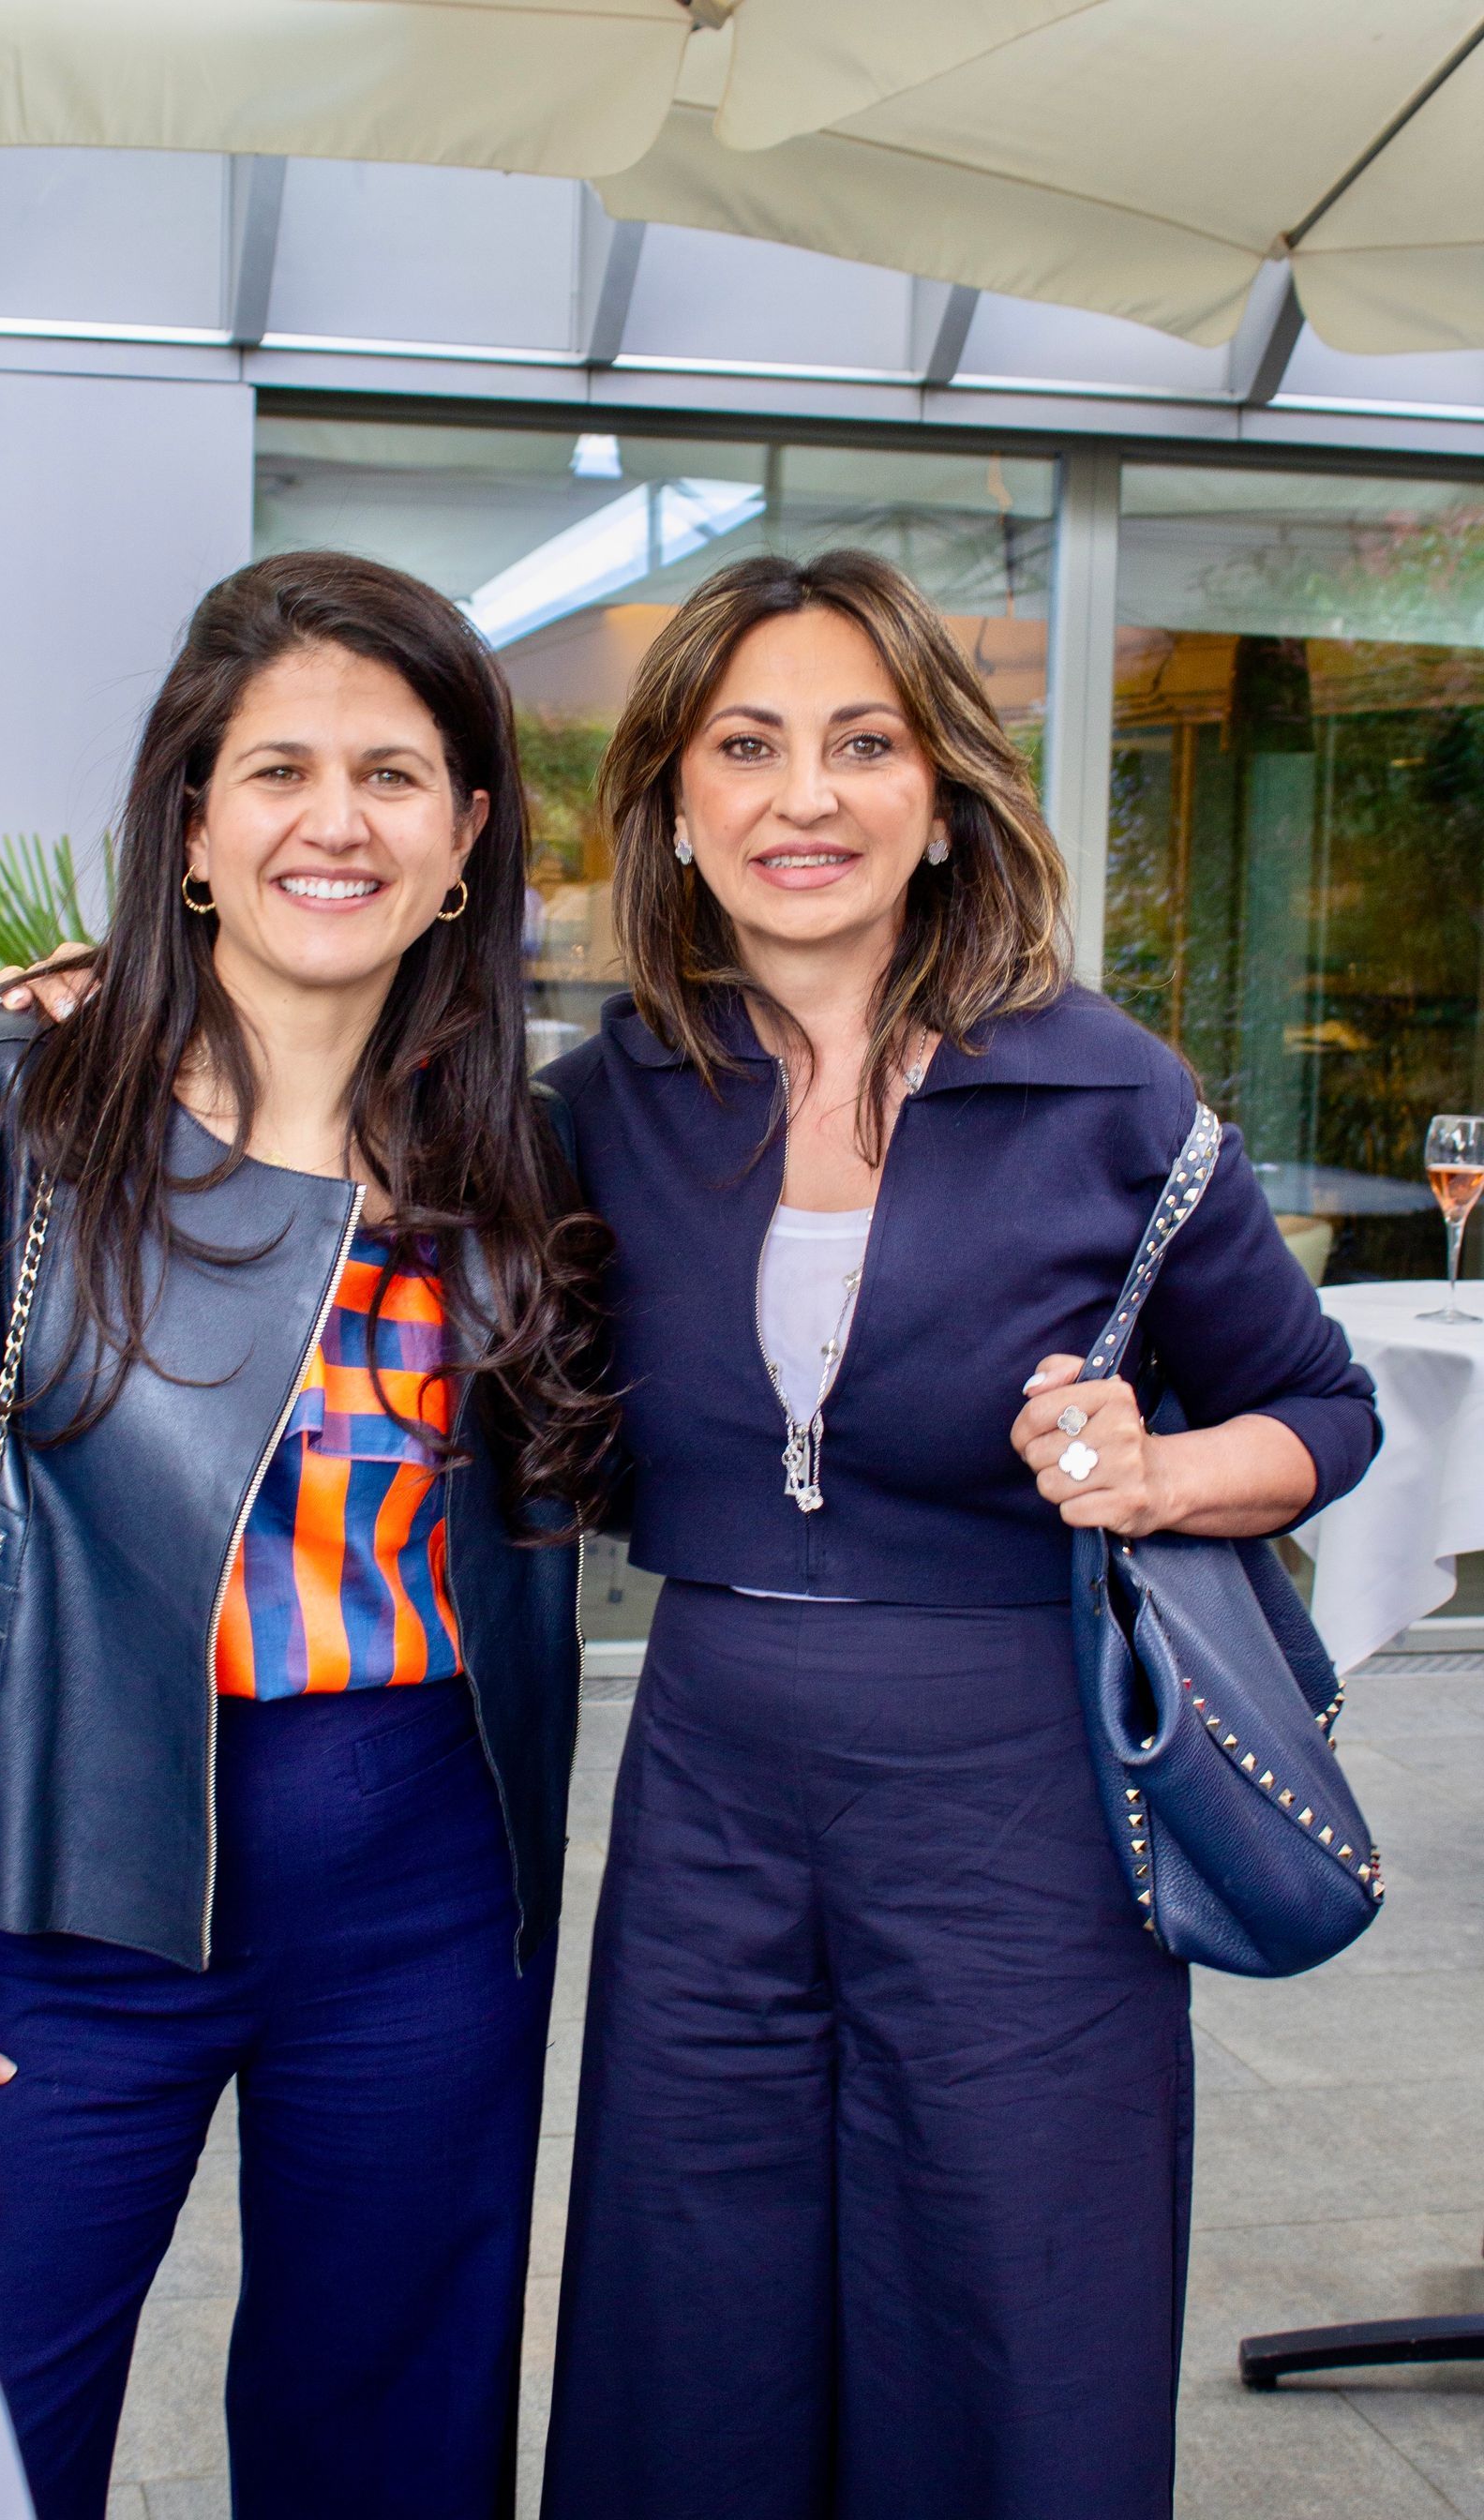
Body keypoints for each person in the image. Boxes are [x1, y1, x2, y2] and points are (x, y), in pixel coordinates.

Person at [0, 550, 615, 2520]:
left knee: (390, 2443)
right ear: (195, 822)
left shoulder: (512, 1154)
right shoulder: (7, 1095)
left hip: (423, 1896)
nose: (338, 820)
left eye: (395, 775)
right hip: (66, 1905)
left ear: (467, 833)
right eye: (280, 769)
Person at [532, 549, 1380, 2520]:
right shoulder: (607, 1099)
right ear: (674, 802)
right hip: (710, 1800)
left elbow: (1321, 1411)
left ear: (941, 796)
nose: (800, 797)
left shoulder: (1106, 1091)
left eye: (860, 744)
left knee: (1015, 2319)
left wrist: (1159, 1475)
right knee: (691, 2318)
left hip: (1022, 1816)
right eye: (745, 747)